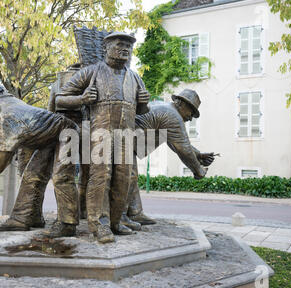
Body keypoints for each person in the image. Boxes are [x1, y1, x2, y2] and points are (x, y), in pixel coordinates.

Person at [55, 31, 150, 243]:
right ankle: (99, 224)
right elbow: (60, 100)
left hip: (125, 134)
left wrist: (144, 102)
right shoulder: (91, 72)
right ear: (106, 48)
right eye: (119, 44)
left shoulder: (134, 77)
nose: (125, 49)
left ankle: (117, 221)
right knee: (101, 177)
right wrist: (82, 98)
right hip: (99, 133)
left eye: (128, 46)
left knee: (124, 178)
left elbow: (142, 111)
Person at [0, 90, 79, 231]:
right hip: (48, 140)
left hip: (67, 133)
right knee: (31, 177)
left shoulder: (6, 119)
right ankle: (27, 217)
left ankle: (67, 224)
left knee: (61, 177)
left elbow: (0, 162)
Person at [124, 89, 214, 226]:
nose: (191, 118)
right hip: (124, 143)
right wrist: (199, 171)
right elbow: (182, 148)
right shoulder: (173, 116)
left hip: (125, 140)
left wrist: (198, 154)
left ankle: (135, 213)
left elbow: (175, 142)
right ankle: (121, 217)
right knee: (128, 177)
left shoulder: (164, 107)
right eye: (191, 112)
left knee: (131, 177)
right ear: (181, 104)